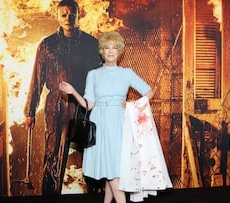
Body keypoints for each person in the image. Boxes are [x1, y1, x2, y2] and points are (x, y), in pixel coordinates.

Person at [59, 31, 155, 203]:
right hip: (99, 124)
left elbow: (149, 92)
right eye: (106, 47)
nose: (110, 51)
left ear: (120, 51)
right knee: (110, 171)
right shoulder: (93, 74)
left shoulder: (127, 73)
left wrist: (133, 103)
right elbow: (90, 104)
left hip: (119, 123)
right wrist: (73, 92)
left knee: (115, 173)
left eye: (114, 47)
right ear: (102, 51)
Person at [24, 0, 102, 195]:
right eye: (64, 15)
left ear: (78, 15)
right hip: (55, 107)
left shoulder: (91, 45)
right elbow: (36, 80)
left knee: (88, 152)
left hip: (83, 106)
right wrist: (30, 112)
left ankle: (93, 194)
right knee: (53, 154)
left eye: (72, 14)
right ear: (57, 17)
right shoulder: (47, 45)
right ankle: (50, 195)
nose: (68, 18)